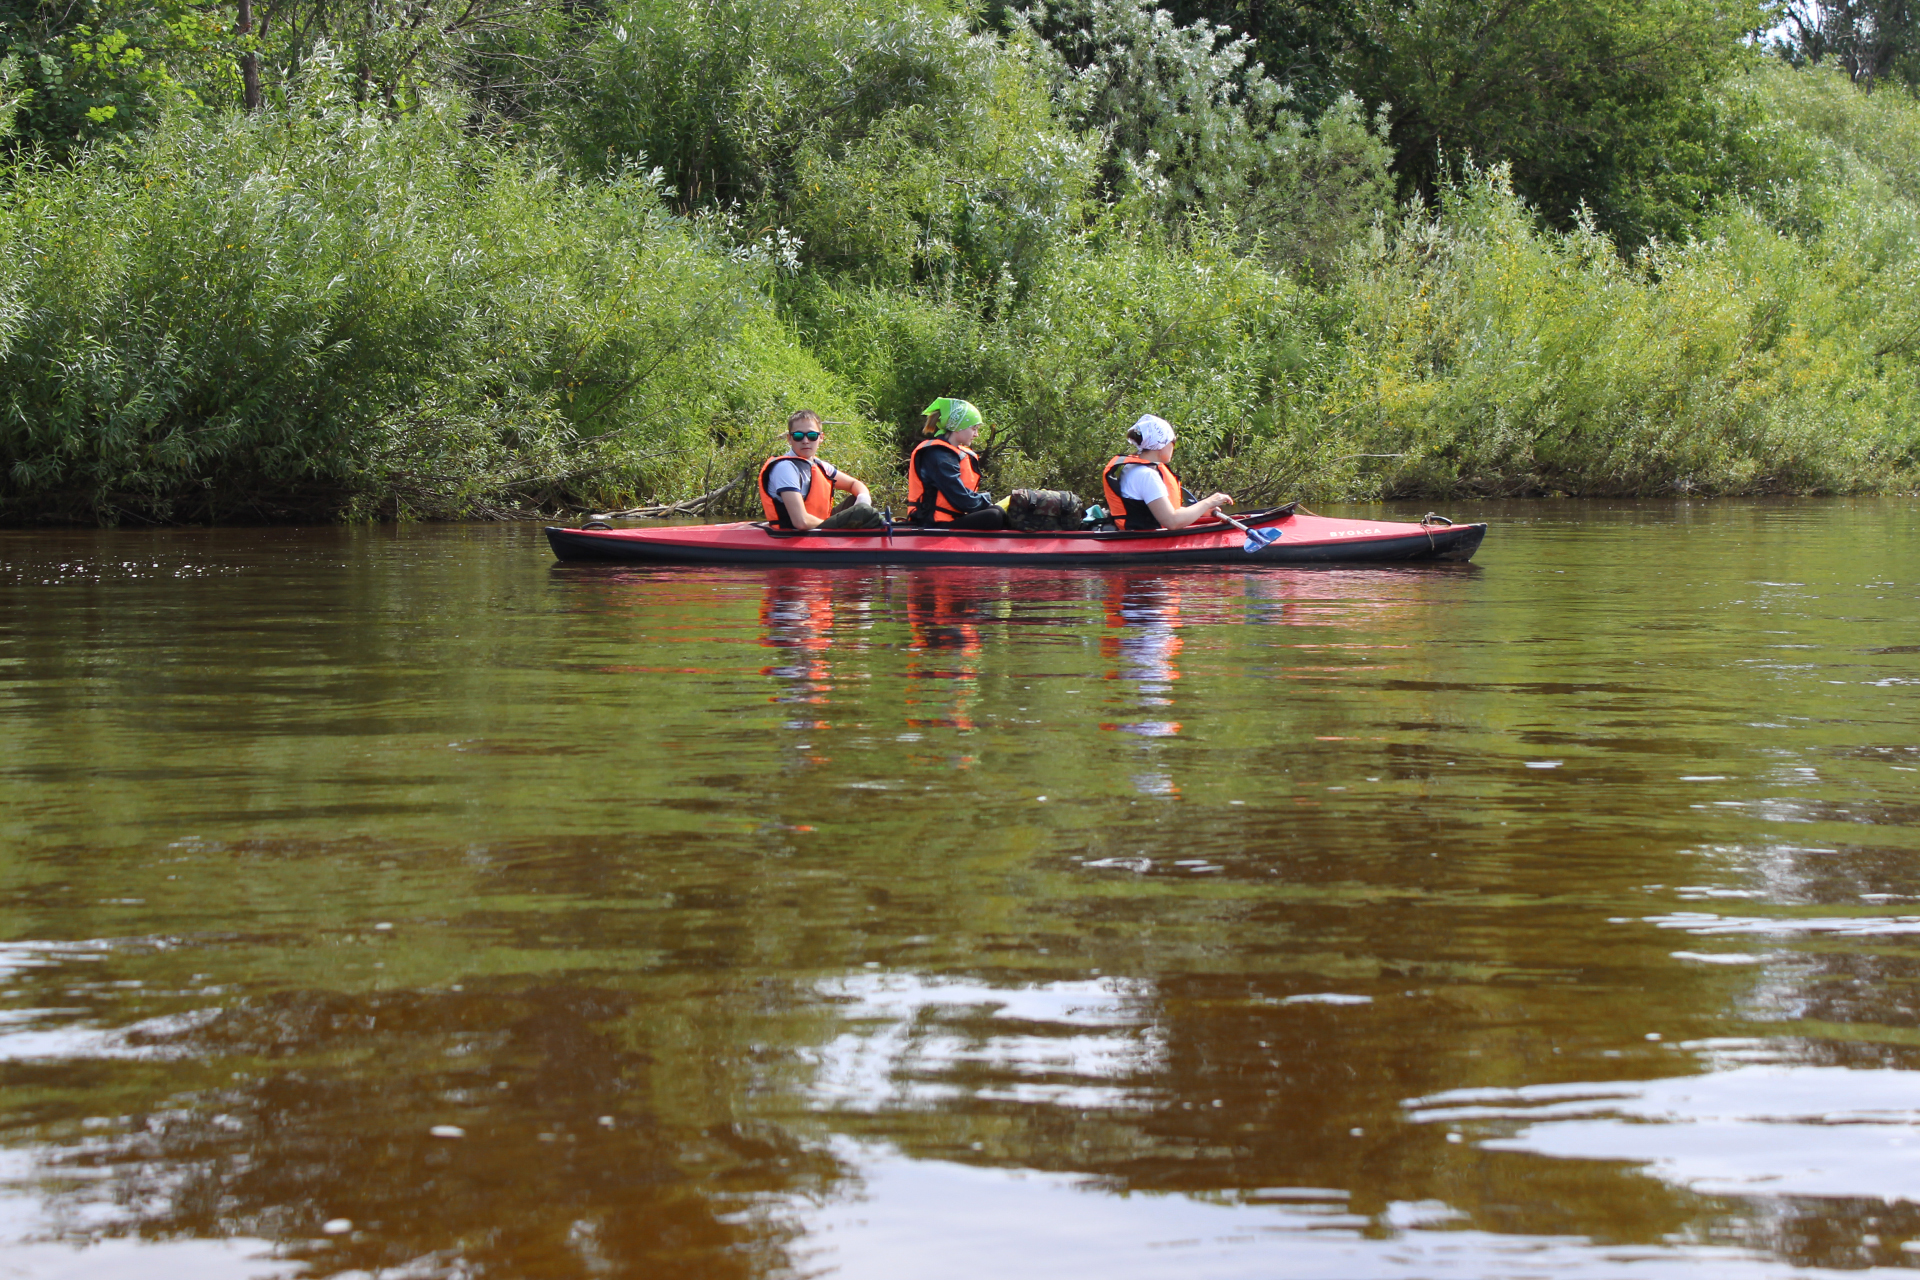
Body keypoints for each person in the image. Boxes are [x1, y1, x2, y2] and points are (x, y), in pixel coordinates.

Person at [1100, 414, 1234, 531]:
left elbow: (1162, 511)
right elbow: (1172, 522)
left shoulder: (1134, 467)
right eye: (1173, 441)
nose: (1173, 446)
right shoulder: (1147, 475)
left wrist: (1200, 511)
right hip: (1143, 541)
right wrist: (1209, 502)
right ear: (1161, 445)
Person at [759, 411, 877, 530]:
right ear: (790, 439)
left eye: (812, 436)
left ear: (820, 438)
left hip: (819, 527)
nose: (805, 441)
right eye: (799, 436)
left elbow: (854, 484)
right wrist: (838, 524)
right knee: (862, 513)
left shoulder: (819, 465)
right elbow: (801, 522)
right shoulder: (785, 468)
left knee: (857, 503)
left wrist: (863, 499)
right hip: (795, 535)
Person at [906, 398, 1008, 530]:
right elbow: (962, 500)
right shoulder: (938, 456)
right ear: (958, 428)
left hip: (953, 518)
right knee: (994, 515)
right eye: (974, 429)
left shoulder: (951, 453)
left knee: (997, 511)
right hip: (933, 523)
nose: (976, 434)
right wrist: (987, 500)